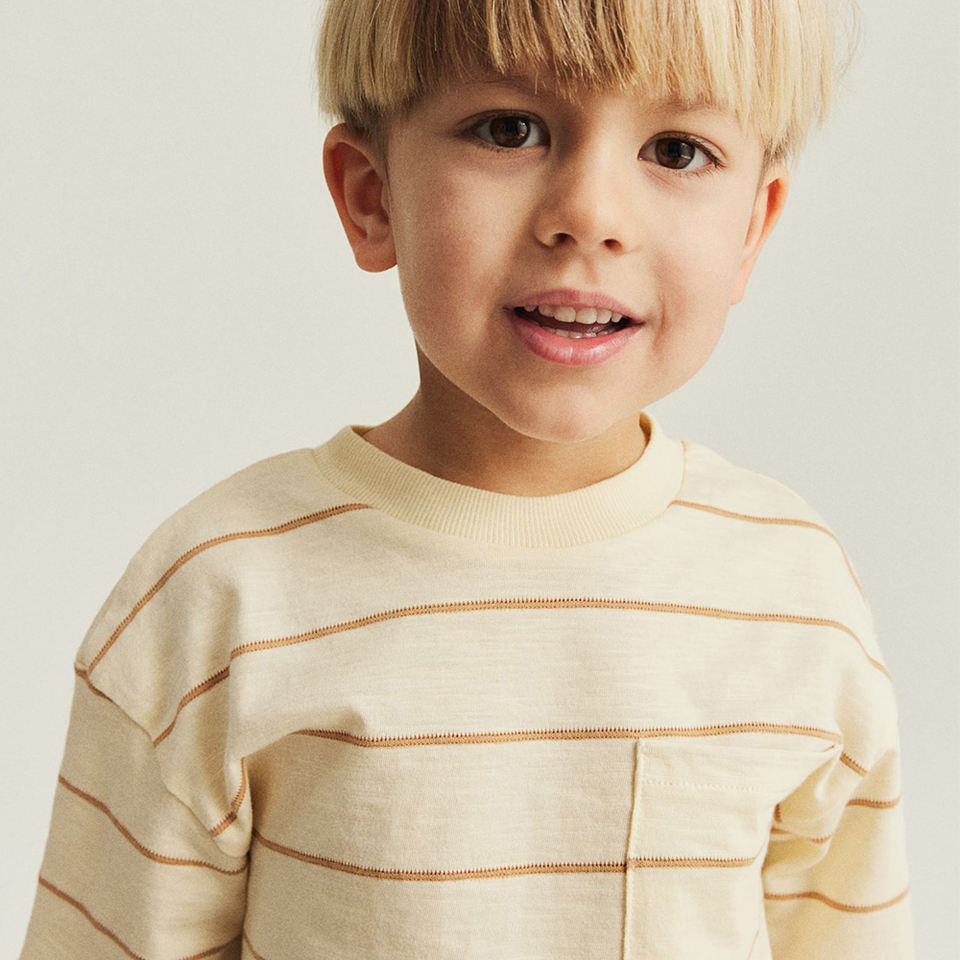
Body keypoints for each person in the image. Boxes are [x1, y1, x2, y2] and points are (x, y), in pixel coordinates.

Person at [20, 0, 915, 957]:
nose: (591, 216)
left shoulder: (793, 594)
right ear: (372, 196)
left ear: (751, 231)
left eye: (676, 151)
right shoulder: (220, 597)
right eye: (509, 130)